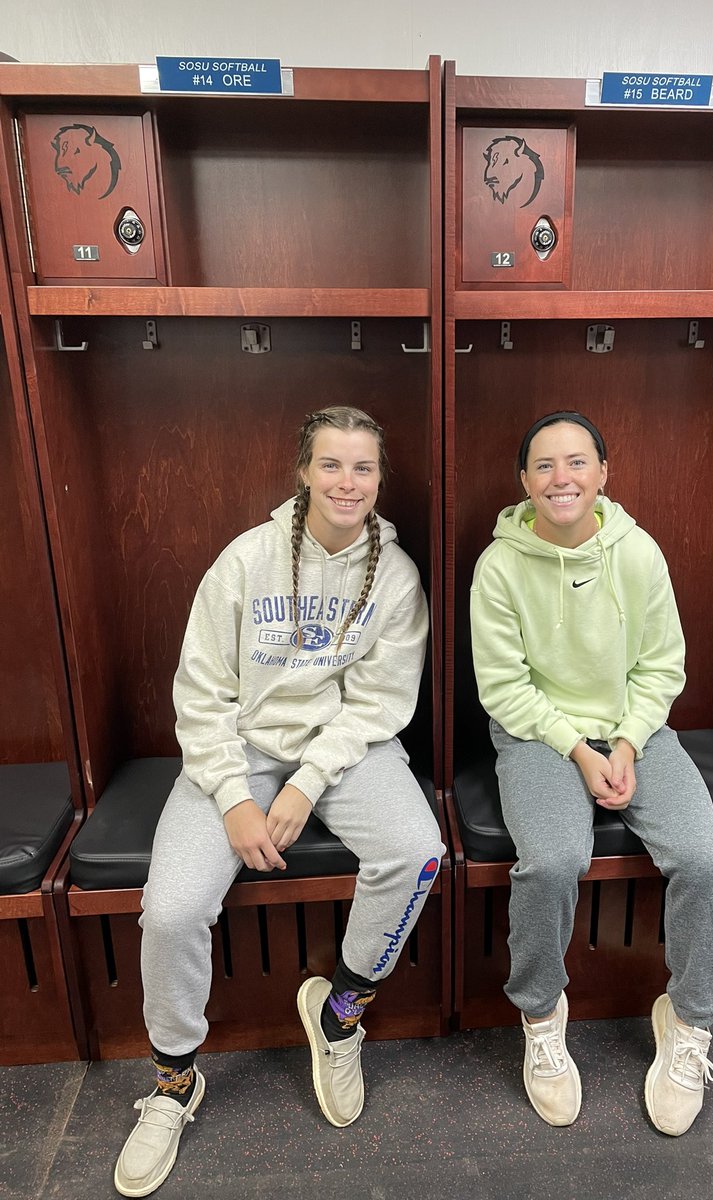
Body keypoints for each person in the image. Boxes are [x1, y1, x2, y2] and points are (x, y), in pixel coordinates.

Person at [115, 406, 443, 1198]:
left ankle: (341, 1015)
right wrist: (234, 798)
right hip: (239, 749)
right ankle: (173, 1082)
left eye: (362, 467)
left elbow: (380, 703)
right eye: (331, 465)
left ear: (379, 479)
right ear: (303, 472)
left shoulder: (395, 576)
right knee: (171, 909)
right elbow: (200, 694)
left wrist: (308, 780)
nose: (347, 482)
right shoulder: (246, 559)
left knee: (419, 852)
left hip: (347, 749)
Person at [469, 411, 713, 1135]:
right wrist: (580, 751)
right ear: (524, 482)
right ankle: (541, 1017)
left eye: (578, 462)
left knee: (705, 862)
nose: (562, 478)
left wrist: (626, 741)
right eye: (545, 465)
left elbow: (662, 665)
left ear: (603, 473)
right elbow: (504, 688)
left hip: (632, 728)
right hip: (536, 734)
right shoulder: (500, 566)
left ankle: (689, 1023)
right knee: (553, 861)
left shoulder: (638, 551)